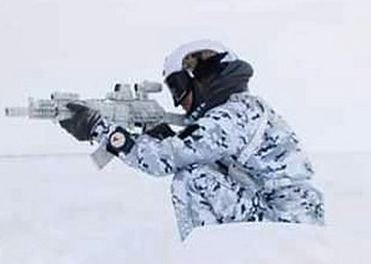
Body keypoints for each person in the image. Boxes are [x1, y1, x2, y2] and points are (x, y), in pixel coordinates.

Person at [58, 40, 325, 239]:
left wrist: (102, 130)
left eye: (178, 88)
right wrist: (158, 136)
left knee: (191, 178)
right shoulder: (244, 108)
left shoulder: (231, 115)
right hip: (288, 218)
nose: (180, 103)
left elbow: (163, 161)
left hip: (284, 224)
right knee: (197, 170)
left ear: (202, 78)